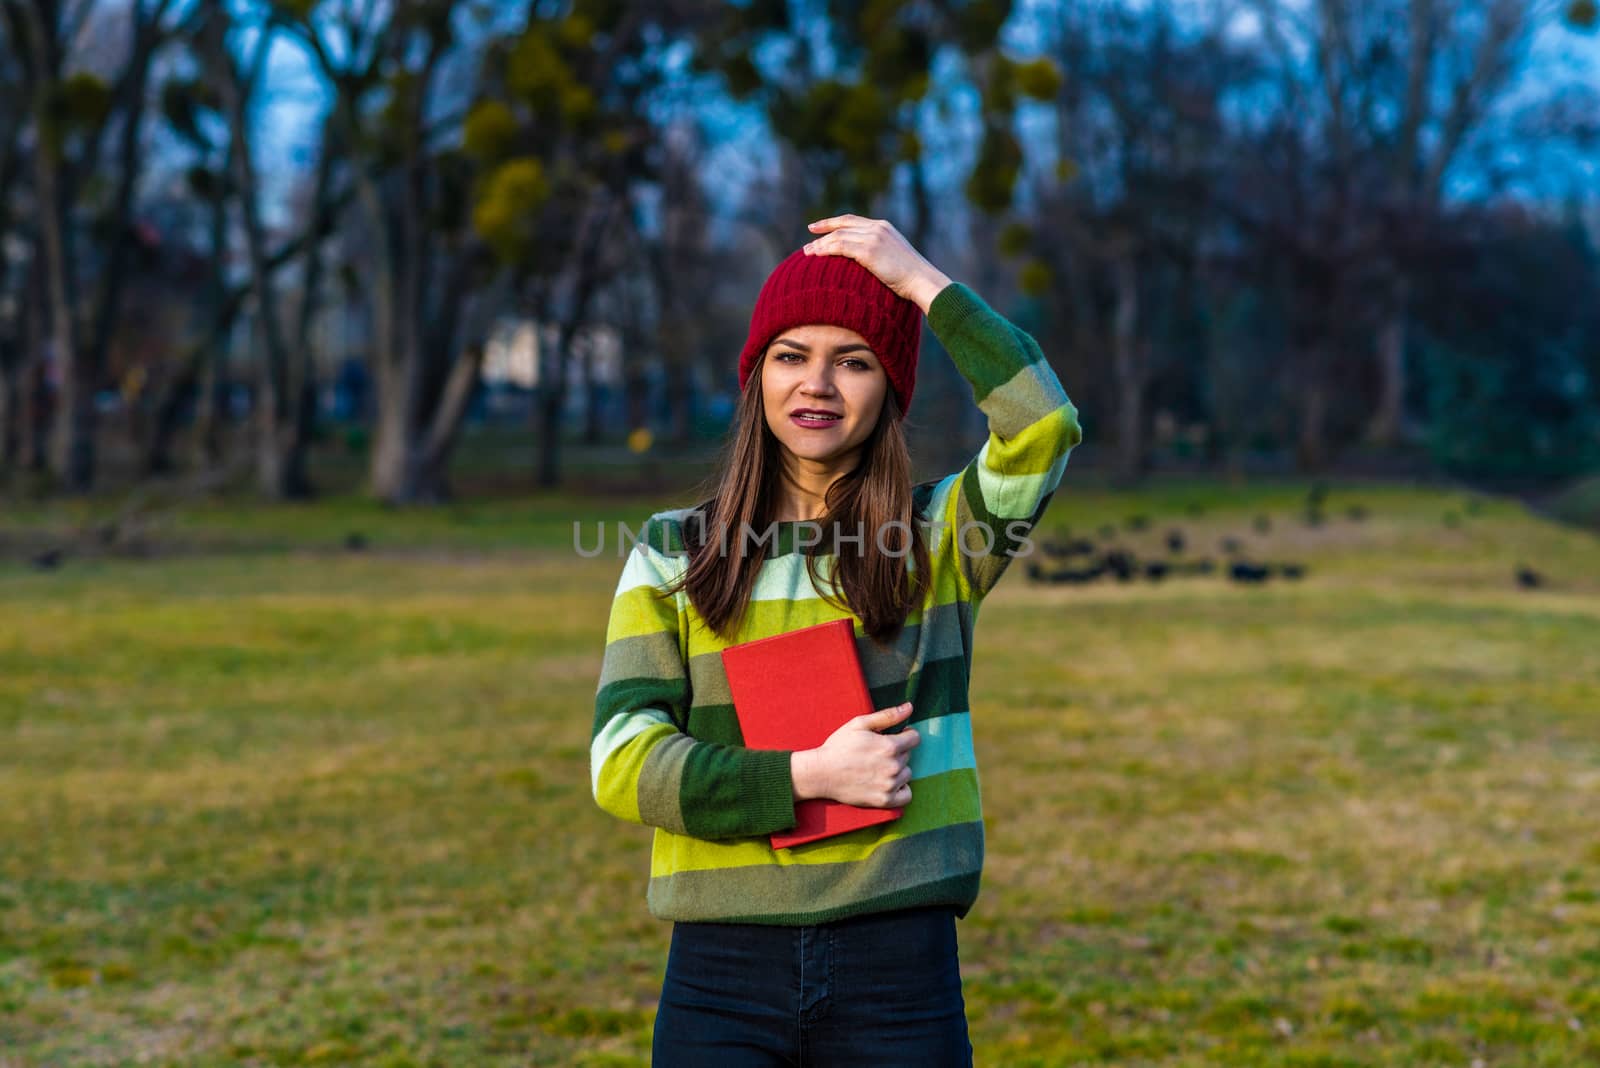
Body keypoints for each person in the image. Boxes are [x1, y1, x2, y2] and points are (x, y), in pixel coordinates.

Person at [590, 214, 1084, 1065]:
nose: (817, 383)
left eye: (853, 360)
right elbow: (622, 762)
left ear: (889, 387)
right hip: (720, 972)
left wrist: (923, 284)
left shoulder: (942, 537)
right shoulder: (673, 551)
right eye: (791, 355)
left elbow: (1042, 425)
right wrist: (807, 777)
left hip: (898, 969)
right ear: (755, 376)